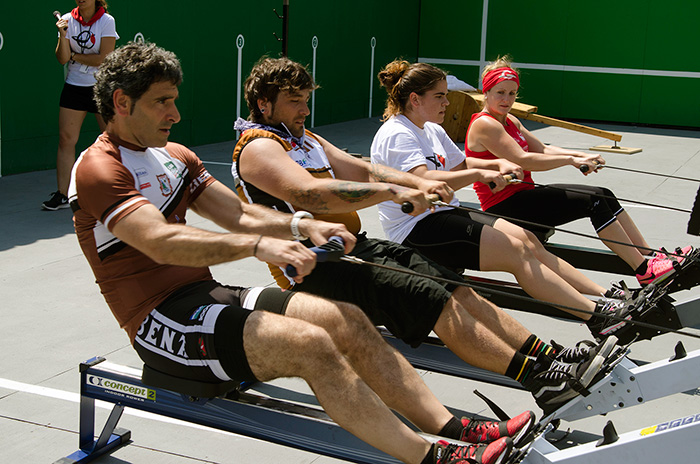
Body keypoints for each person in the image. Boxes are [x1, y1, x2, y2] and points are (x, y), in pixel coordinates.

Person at [69, 41, 535, 464]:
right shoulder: (97, 167)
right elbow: (158, 239)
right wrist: (261, 244)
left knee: (345, 320)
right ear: (121, 103)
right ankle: (432, 458)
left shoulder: (176, 155)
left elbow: (239, 215)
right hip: (158, 321)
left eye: (173, 100)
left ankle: (453, 427)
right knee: (311, 345)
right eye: (162, 102)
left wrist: (298, 223)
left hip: (205, 296)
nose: (174, 113)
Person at [231, 56, 618, 417]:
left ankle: (550, 358)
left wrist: (412, 182)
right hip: (312, 268)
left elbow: (366, 170)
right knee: (434, 300)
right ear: (264, 105)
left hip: (352, 245)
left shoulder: (307, 139)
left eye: (306, 99)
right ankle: (538, 380)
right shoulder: (259, 147)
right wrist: (397, 191)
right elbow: (311, 195)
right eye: (294, 101)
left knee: (457, 287)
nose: (305, 109)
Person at [370, 59, 638, 339]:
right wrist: (484, 172)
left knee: (528, 240)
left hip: (442, 214)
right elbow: (423, 180)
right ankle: (597, 316)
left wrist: (495, 166)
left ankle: (607, 296)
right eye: (440, 96)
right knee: (516, 252)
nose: (447, 103)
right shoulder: (397, 134)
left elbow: (462, 167)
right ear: (415, 99)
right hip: (415, 229)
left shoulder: (432, 129)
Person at [462, 55, 691, 287]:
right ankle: (644, 270)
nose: (506, 99)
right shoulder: (486, 124)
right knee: (592, 201)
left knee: (603, 193)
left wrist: (583, 155)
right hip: (504, 206)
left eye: (512, 93)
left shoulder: (509, 120)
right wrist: (571, 160)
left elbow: (542, 148)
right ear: (486, 92)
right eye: (500, 92)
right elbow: (524, 160)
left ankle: (650, 257)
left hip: (523, 196)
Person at [44, 0, 118, 210]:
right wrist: (62, 35)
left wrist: (75, 56)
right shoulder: (66, 20)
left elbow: (104, 58)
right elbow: (62, 59)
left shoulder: (106, 21)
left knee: (112, 140)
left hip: (101, 87)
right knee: (66, 139)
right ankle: (62, 195)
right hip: (74, 87)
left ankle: (116, 190)